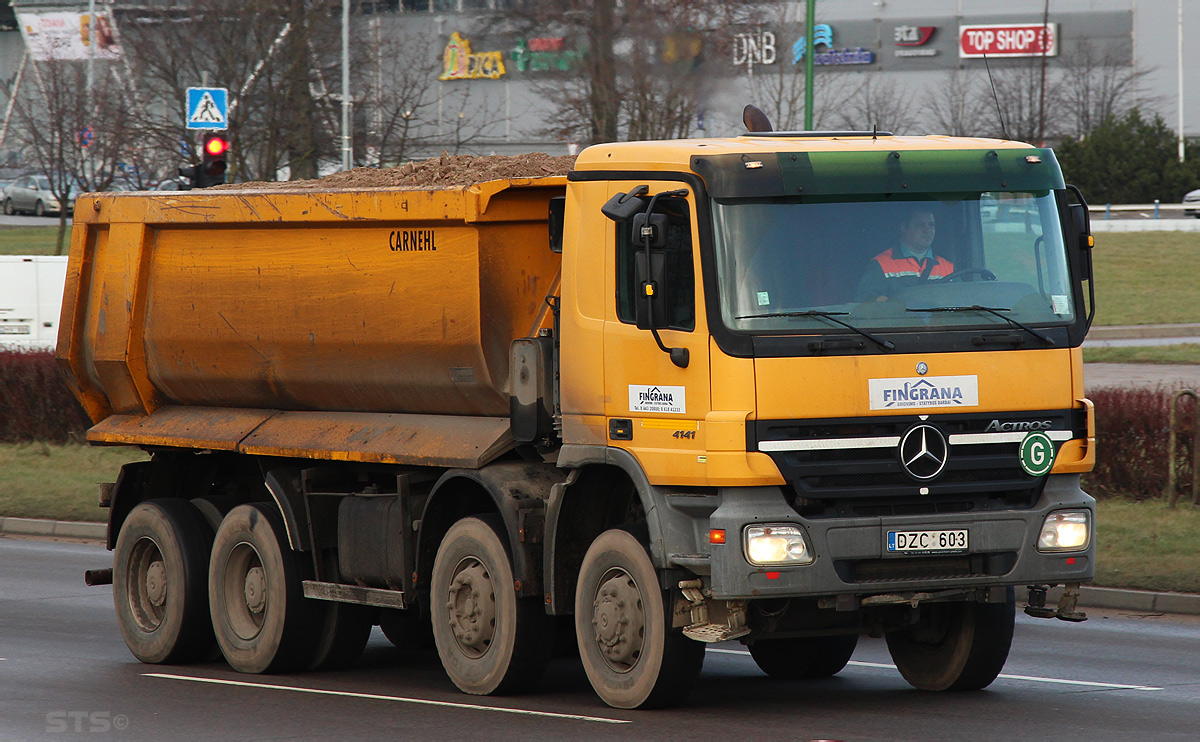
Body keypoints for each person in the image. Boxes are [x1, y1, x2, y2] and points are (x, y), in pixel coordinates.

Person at [856, 207, 954, 301]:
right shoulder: (881, 265)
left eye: (931, 225)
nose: (927, 230)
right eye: (920, 225)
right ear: (903, 227)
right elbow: (864, 303)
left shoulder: (949, 268)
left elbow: (962, 302)